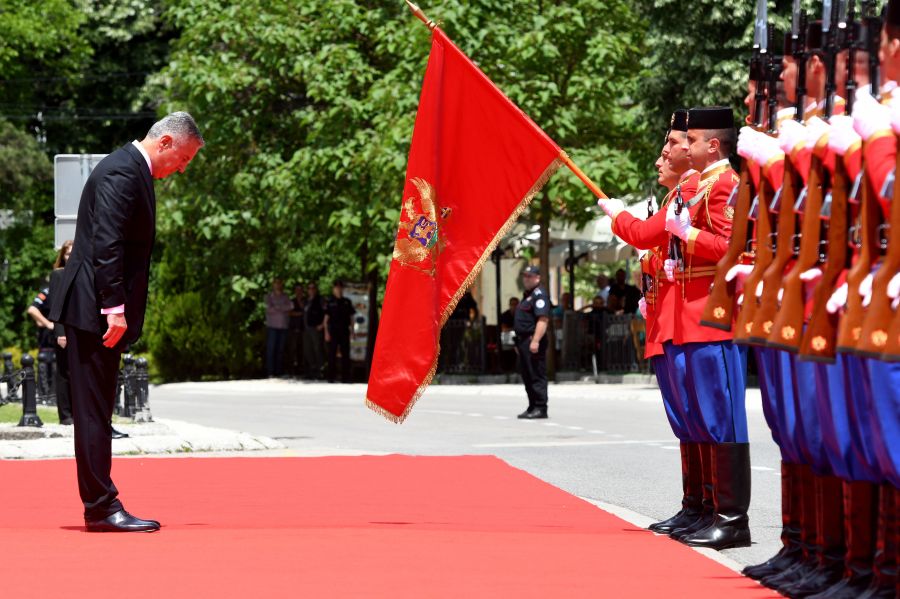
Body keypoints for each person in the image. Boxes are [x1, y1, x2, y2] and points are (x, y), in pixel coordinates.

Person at [49, 111, 204, 533]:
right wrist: (113, 306)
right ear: (167, 142)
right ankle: (100, 507)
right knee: (95, 412)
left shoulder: (130, 168)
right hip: (94, 310)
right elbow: (108, 242)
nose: (183, 168)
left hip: (94, 309)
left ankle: (100, 503)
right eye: (184, 158)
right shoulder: (123, 170)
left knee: (97, 411)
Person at [27, 241, 73, 424]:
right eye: (67, 254)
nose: (70, 257)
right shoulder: (57, 276)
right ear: (62, 256)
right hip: (59, 334)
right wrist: (51, 326)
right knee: (63, 373)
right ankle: (66, 415)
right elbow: (39, 308)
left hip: (80, 331)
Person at [514, 265, 550, 419]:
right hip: (524, 341)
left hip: (532, 340)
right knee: (527, 375)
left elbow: (542, 319)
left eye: (530, 276)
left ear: (537, 278)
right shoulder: (528, 295)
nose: (526, 279)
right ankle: (532, 406)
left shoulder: (539, 295)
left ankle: (541, 407)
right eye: (525, 276)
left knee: (536, 374)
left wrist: (535, 341)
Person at [324, 279, 355, 383]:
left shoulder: (347, 302)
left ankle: (345, 377)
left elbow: (351, 318)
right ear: (334, 289)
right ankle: (330, 377)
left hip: (344, 331)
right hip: (333, 331)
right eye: (336, 287)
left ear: (343, 289)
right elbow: (325, 320)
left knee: (345, 354)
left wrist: (353, 331)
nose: (338, 289)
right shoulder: (330, 302)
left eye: (340, 287)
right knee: (331, 354)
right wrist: (326, 332)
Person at [264, 278, 292, 378]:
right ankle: (270, 372)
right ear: (273, 285)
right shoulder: (269, 296)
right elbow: (269, 309)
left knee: (281, 349)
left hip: (283, 326)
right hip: (272, 326)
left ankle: (279, 371)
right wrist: (282, 308)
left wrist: (277, 307)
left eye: (279, 283)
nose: (278, 285)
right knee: (271, 349)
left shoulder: (286, 296)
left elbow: (290, 306)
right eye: (276, 283)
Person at [303, 282, 325, 379]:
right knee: (308, 349)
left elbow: (326, 312)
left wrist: (322, 325)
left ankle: (320, 370)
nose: (311, 290)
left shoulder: (320, 300)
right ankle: (312, 370)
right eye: (309, 288)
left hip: (316, 328)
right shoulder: (306, 301)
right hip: (306, 329)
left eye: (313, 288)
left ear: (316, 289)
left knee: (318, 349)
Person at [285, 283, 306, 378]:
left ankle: (301, 370)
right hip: (293, 328)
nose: (299, 292)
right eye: (297, 290)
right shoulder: (291, 301)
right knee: (292, 350)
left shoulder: (305, 301)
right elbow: (289, 313)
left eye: (300, 289)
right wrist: (300, 313)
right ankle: (290, 370)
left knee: (301, 350)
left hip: (303, 329)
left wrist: (300, 312)